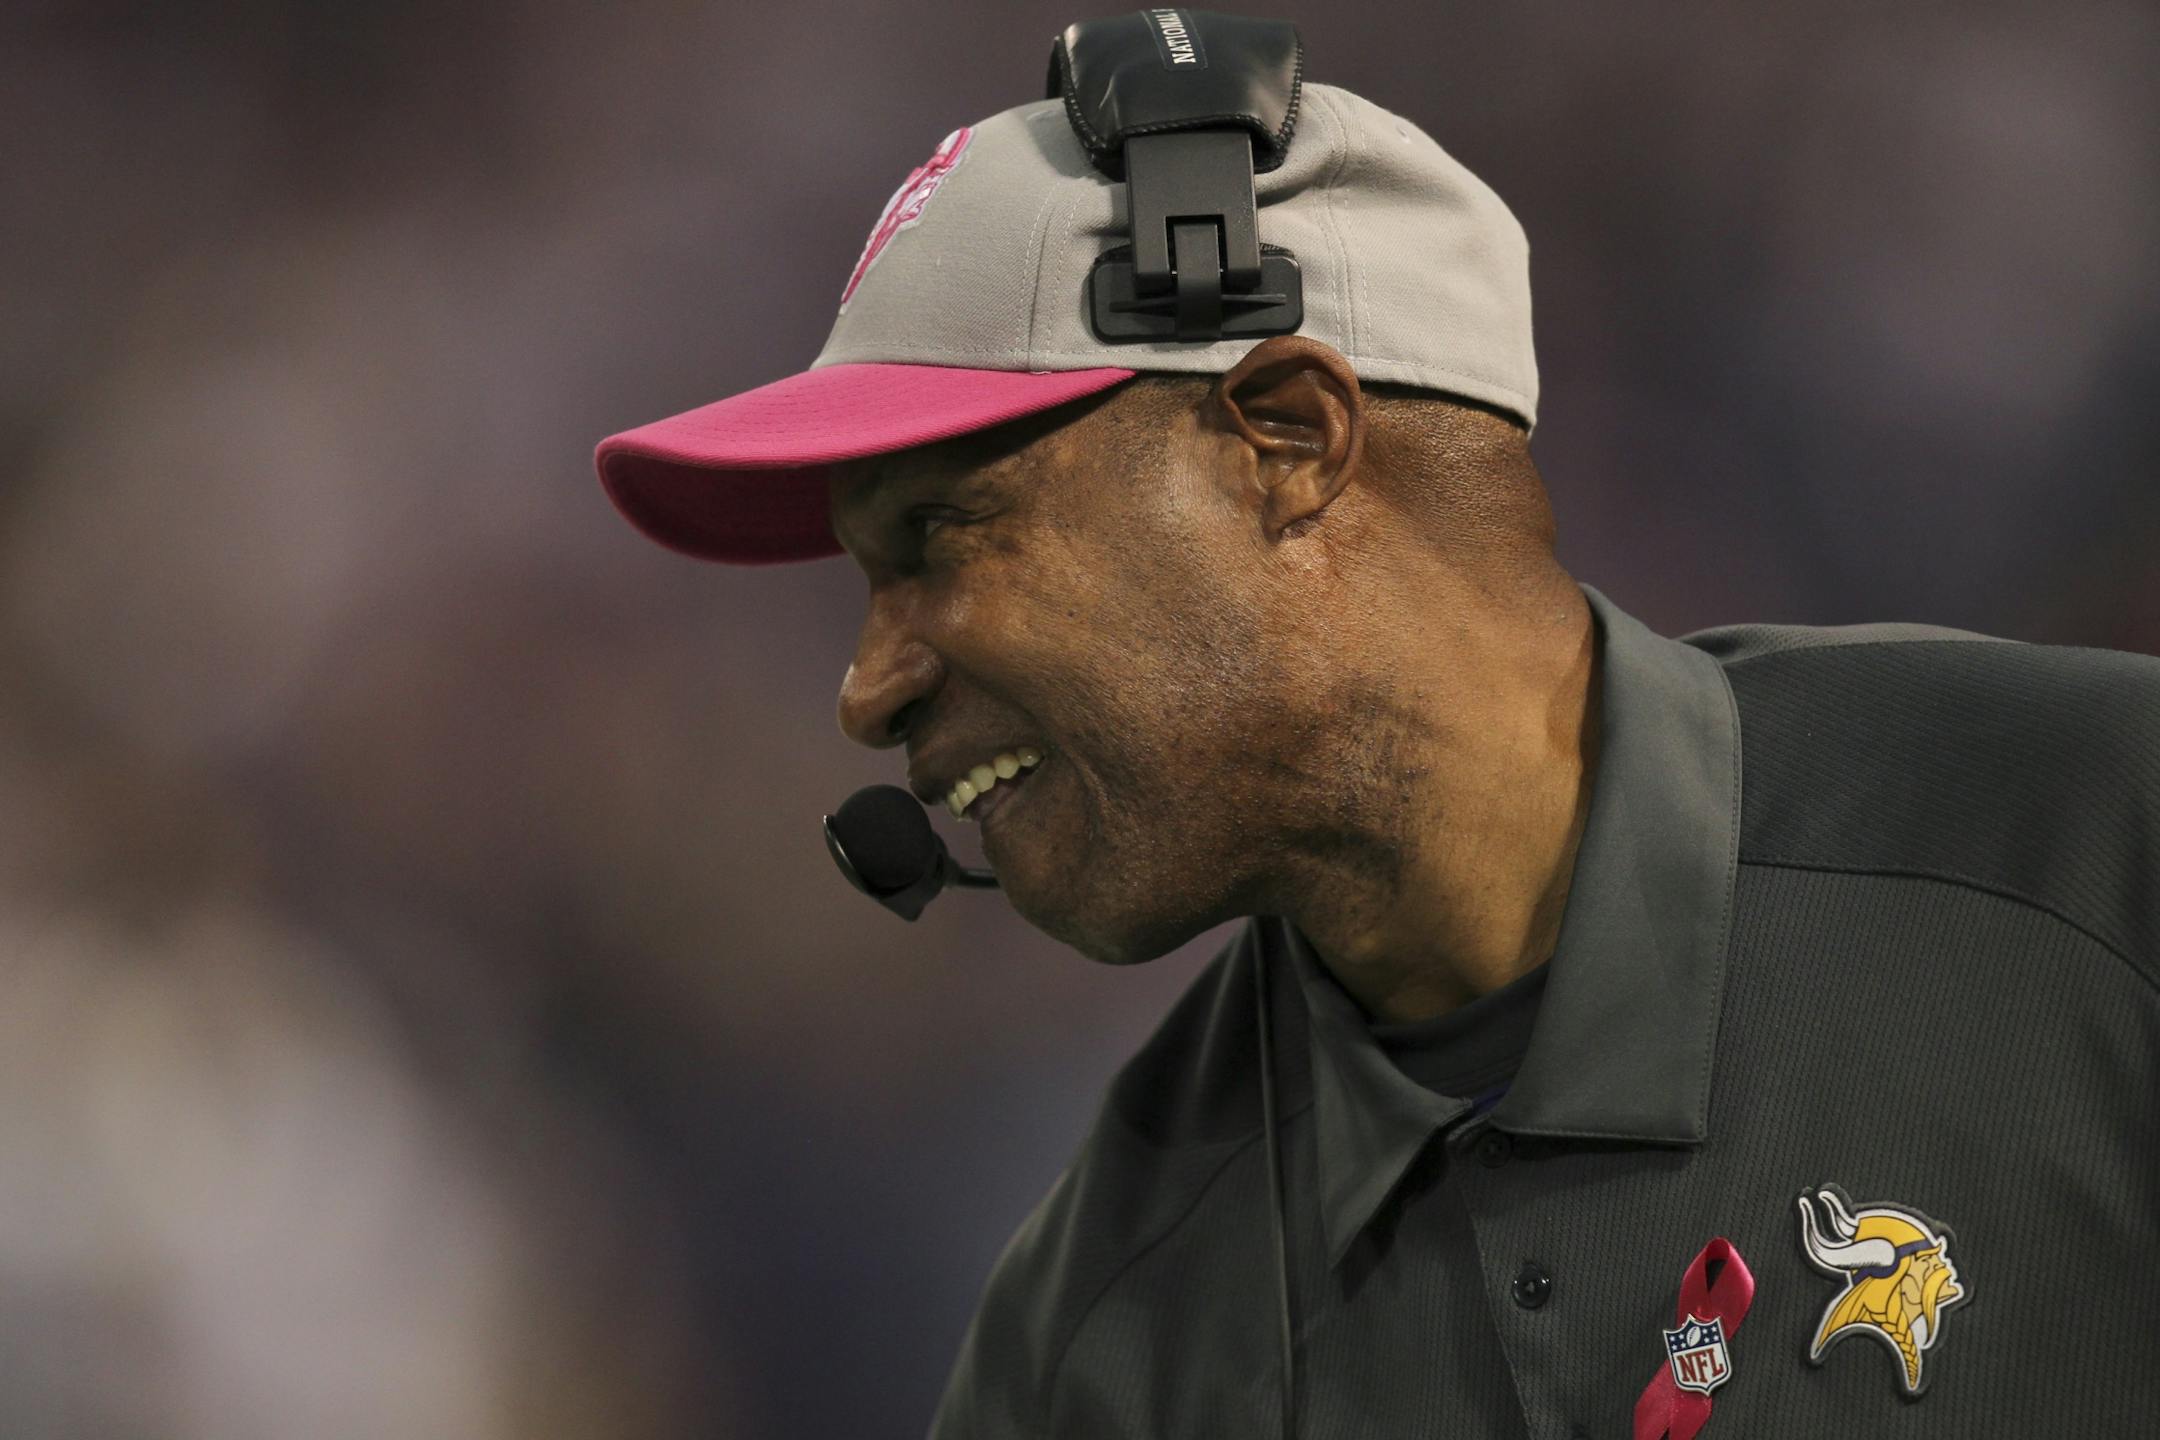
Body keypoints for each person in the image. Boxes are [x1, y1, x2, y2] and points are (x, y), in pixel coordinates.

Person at [592, 14, 2160, 1438]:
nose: (864, 693)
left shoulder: (2089, 847)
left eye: (939, 537)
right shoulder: (1103, 1347)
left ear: (1287, 442)